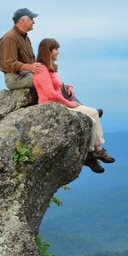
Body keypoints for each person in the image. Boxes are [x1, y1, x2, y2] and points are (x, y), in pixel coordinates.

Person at [34, 38, 115, 174]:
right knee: (91, 120)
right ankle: (90, 151)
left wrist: (68, 87)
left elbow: (57, 85)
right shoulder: (41, 70)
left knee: (93, 113)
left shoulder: (51, 69)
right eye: (56, 49)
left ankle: (99, 149)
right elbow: (50, 93)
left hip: (60, 104)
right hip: (51, 107)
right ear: (48, 51)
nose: (58, 52)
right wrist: (69, 103)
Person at [0, 8, 46, 90]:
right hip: (15, 78)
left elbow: (32, 63)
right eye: (31, 19)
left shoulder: (26, 38)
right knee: (45, 79)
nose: (34, 22)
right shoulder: (9, 38)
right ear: (22, 20)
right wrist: (30, 67)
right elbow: (8, 64)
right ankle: (66, 101)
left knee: (49, 75)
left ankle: (68, 97)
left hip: (26, 74)